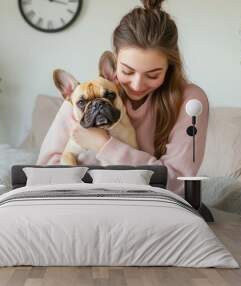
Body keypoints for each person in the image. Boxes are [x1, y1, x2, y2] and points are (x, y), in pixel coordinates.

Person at [37, 0, 209, 196]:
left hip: (155, 205)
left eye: (152, 75)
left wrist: (104, 145)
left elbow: (178, 182)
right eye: (127, 71)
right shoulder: (85, 96)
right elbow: (43, 170)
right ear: (115, 61)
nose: (136, 84)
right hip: (85, 201)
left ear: (170, 66)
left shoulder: (190, 101)